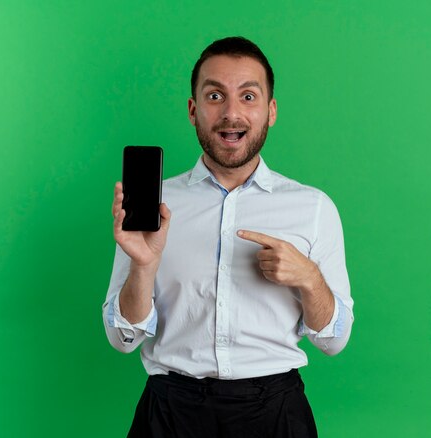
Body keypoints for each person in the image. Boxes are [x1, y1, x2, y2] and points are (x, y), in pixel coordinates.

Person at [103, 36, 354, 438]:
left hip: (275, 413)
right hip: (169, 415)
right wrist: (144, 265)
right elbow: (123, 339)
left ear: (271, 111)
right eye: (215, 95)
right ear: (193, 110)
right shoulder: (154, 203)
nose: (232, 113)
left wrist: (309, 278)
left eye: (249, 96)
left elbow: (334, 341)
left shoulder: (313, 207)